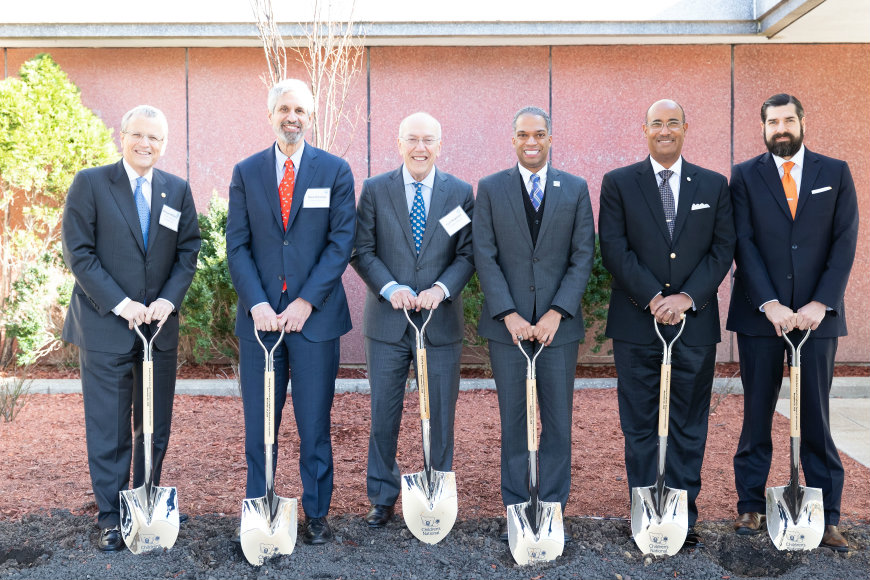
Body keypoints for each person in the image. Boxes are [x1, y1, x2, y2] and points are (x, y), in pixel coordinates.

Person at [61, 105, 201, 551]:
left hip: (157, 330)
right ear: (122, 136)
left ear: (164, 144)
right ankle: (109, 516)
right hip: (105, 326)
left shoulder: (176, 190)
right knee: (110, 427)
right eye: (138, 135)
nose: (146, 144)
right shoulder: (92, 183)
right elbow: (79, 253)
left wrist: (165, 301)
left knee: (154, 425)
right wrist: (122, 305)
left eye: (155, 138)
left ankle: (143, 503)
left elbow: (188, 251)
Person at [598, 99, 736, 549]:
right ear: (644, 130)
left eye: (672, 123)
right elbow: (614, 248)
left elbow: (722, 249)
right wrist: (655, 298)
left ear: (685, 129)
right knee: (639, 423)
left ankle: (682, 515)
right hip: (638, 324)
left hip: (694, 326)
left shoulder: (714, 185)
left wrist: (686, 298)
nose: (664, 130)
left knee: (687, 424)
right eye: (656, 123)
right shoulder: (618, 183)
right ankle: (644, 509)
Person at [226, 79, 356, 545]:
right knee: (260, 425)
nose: (293, 117)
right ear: (271, 114)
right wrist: (258, 303)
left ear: (311, 115)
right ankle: (261, 506)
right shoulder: (246, 171)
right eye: (284, 108)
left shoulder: (336, 171)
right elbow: (236, 245)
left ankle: (316, 512)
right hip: (260, 324)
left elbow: (341, 243)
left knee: (314, 423)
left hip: (315, 322)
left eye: (301, 109)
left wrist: (305, 302)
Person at [727, 94, 859, 550]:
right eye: (771, 121)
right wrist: (770, 303)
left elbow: (844, 243)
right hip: (761, 316)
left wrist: (822, 303)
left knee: (816, 417)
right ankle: (750, 505)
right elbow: (742, 242)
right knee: (756, 412)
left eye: (787, 120)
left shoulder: (835, 172)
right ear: (762, 127)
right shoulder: (744, 175)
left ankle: (829, 516)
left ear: (802, 122)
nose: (780, 128)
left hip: (816, 318)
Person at [472, 106, 595, 542]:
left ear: (549, 138)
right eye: (523, 134)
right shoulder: (489, 188)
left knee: (558, 420)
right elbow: (483, 254)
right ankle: (517, 504)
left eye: (539, 134)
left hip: (558, 331)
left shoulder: (576, 188)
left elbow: (583, 255)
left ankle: (554, 504)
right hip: (508, 329)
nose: (531, 141)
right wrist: (509, 314)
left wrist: (555, 313)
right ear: (512, 139)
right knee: (515, 418)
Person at [350, 112, 474, 527]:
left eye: (428, 140)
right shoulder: (374, 190)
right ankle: (382, 498)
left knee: (439, 412)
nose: (420, 147)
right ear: (398, 143)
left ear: (440, 145)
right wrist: (390, 288)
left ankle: (435, 491)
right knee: (384, 413)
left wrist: (440, 289)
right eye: (412, 139)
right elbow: (362, 250)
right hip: (387, 323)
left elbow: (467, 253)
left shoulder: (459, 192)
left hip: (439, 324)